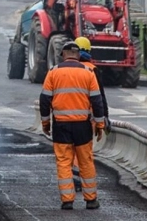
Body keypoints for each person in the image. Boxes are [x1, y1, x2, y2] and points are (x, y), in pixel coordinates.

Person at [39, 41, 105, 210]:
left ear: (63, 54)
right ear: (78, 55)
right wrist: (99, 124)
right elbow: (97, 102)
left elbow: (44, 100)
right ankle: (91, 200)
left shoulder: (53, 72)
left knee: (63, 162)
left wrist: (46, 122)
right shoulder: (88, 73)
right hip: (83, 125)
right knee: (86, 161)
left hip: (61, 126)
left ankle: (67, 200)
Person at [71, 36, 111, 192]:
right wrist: (104, 118)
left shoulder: (65, 69)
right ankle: (84, 183)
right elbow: (100, 97)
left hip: (65, 118)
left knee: (69, 152)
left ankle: (73, 181)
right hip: (86, 119)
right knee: (84, 153)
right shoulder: (92, 70)